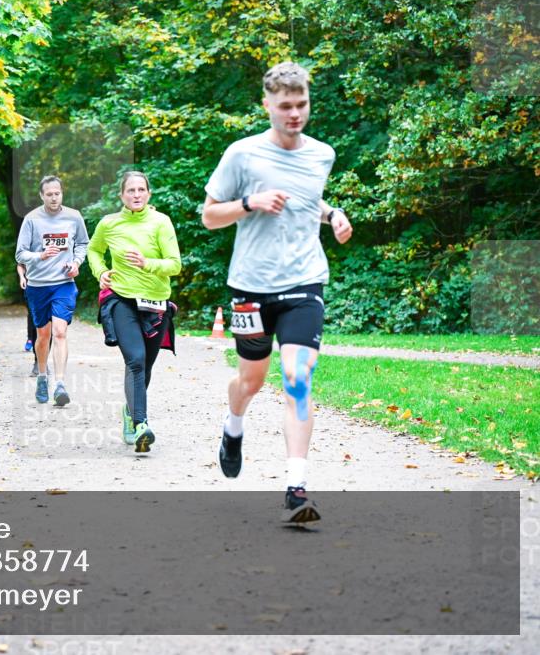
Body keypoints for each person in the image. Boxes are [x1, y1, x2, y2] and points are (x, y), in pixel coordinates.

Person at [201, 61, 354, 523]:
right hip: (250, 285)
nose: (294, 114)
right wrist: (250, 203)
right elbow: (209, 215)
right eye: (285, 106)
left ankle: (296, 487)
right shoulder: (242, 155)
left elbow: (309, 200)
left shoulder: (322, 154)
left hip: (305, 280)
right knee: (251, 381)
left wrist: (333, 216)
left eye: (301, 104)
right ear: (266, 105)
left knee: (297, 378)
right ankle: (233, 427)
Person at [88, 171, 181, 453]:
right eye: (131, 190)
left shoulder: (161, 223)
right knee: (136, 361)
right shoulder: (109, 223)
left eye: (141, 190)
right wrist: (101, 272)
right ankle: (142, 424)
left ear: (149, 194)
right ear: (122, 195)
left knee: (145, 366)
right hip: (121, 299)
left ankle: (130, 413)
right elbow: (93, 250)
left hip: (155, 302)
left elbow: (175, 265)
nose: (136, 195)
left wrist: (147, 263)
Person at [15, 175, 89, 406]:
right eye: (49, 194)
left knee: (59, 332)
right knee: (43, 335)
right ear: (42, 196)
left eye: (57, 193)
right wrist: (40, 255)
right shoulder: (31, 219)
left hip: (63, 283)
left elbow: (83, 244)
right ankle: (42, 376)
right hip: (38, 285)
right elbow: (20, 254)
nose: (54, 197)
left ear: (62, 193)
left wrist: (76, 263)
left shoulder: (74, 216)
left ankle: (59, 384)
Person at [17, 262, 44, 376]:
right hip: (32, 287)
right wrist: (22, 277)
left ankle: (43, 359)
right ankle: (37, 360)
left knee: (49, 324)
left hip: (54, 286)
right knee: (34, 320)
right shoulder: (29, 245)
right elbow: (20, 264)